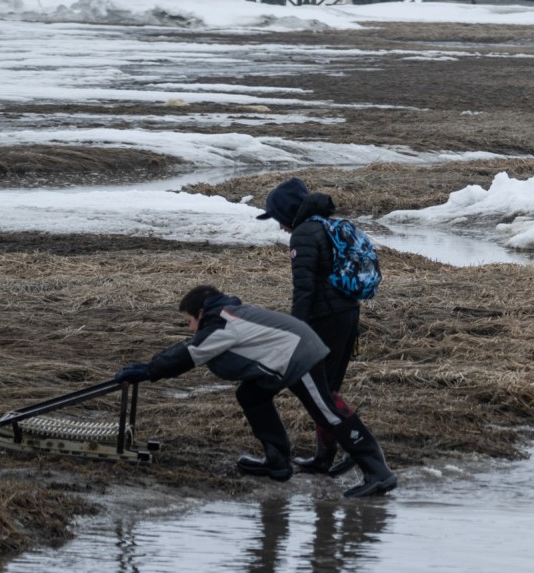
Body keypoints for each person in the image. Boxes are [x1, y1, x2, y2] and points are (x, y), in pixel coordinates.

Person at [115, 284, 397, 499]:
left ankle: (377, 472)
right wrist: (149, 366)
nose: (190, 327)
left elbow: (192, 353)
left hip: (300, 355)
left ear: (200, 312)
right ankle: (277, 461)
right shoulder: (224, 315)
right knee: (251, 395)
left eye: (189, 321)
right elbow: (193, 345)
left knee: (326, 411)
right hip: (290, 354)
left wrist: (149, 371)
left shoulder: (223, 322)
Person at [257, 177, 370, 475]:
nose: (280, 226)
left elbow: (304, 291)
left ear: (289, 211)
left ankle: (358, 450)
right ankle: (326, 457)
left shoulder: (304, 234)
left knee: (323, 392)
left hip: (327, 319)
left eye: (279, 218)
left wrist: (295, 330)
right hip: (346, 314)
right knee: (327, 389)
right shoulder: (324, 226)